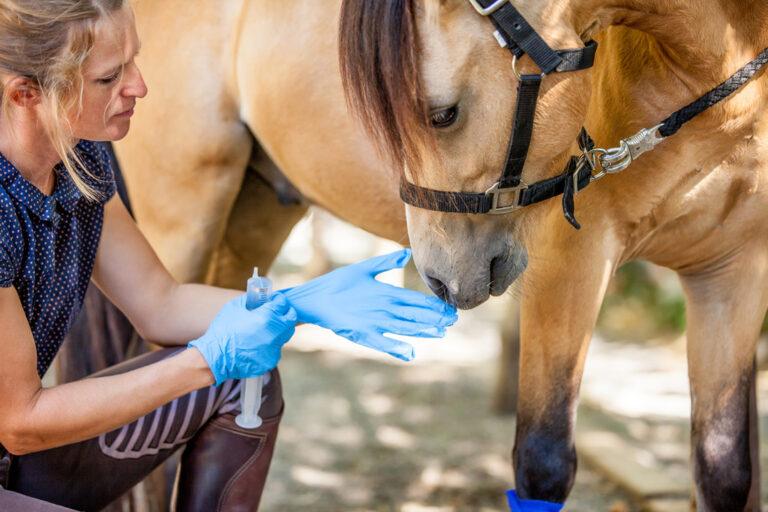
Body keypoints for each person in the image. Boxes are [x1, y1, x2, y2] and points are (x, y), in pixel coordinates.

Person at [0, 1, 458, 510]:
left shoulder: (78, 155)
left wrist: (299, 303)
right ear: (26, 94)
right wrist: (204, 360)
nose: (140, 86)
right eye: (110, 78)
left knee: (247, 381)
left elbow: (161, 302)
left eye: (134, 60)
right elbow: (21, 422)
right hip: (19, 437)